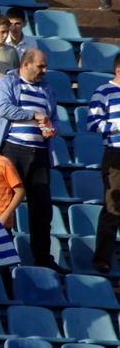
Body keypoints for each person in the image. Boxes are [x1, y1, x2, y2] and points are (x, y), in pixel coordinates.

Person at [0, 49, 66, 273]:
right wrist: (33, 115)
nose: (45, 70)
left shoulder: (47, 89)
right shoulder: (7, 83)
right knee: (6, 204)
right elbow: (3, 109)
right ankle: (2, 257)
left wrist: (51, 128)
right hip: (13, 151)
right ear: (26, 64)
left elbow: (54, 119)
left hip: (40, 153)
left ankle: (43, 258)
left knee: (42, 208)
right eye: (40, 66)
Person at [88, 54, 120, 272]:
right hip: (115, 153)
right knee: (113, 204)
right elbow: (92, 123)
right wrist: (115, 126)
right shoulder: (104, 91)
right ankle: (102, 258)